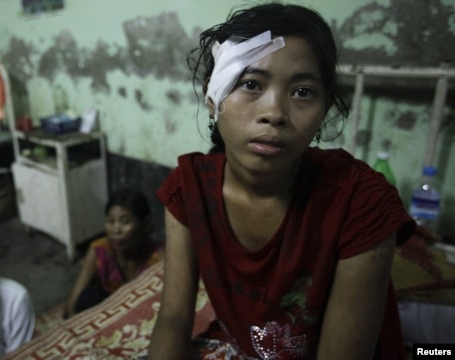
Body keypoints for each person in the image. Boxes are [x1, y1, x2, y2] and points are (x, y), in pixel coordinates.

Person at [148, 3, 416, 360]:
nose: (274, 113)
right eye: (251, 84)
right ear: (212, 98)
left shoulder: (361, 202)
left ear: (324, 109)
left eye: (302, 92)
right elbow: (174, 319)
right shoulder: (188, 191)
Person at [64, 188, 164, 318]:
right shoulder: (99, 252)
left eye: (125, 222)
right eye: (111, 221)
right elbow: (71, 305)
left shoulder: (159, 258)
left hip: (142, 316)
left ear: (145, 224)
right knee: (88, 298)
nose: (116, 230)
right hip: (107, 315)